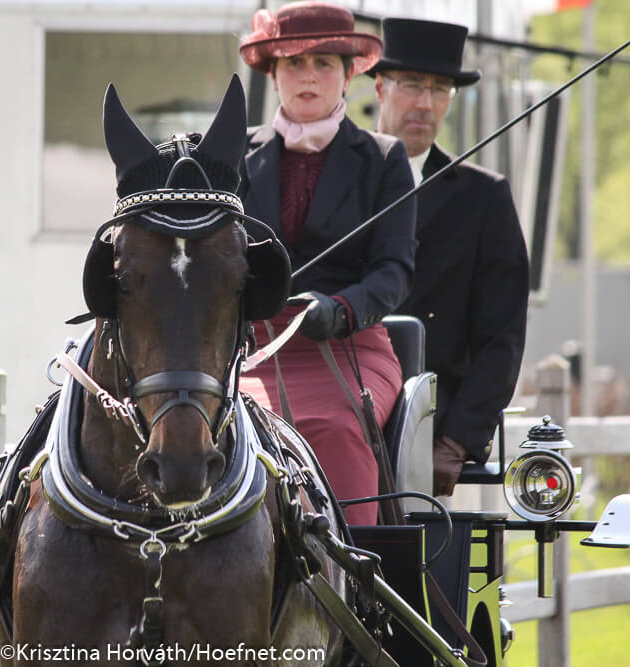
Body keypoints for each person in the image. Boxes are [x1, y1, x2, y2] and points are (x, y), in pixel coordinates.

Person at [237, 1, 417, 525]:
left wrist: (340, 310)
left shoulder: (384, 158)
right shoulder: (234, 157)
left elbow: (394, 271)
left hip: (347, 346)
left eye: (323, 63)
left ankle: (352, 567)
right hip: (253, 348)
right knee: (217, 424)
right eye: (294, 63)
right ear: (274, 74)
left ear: (348, 74)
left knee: (337, 426)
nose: (309, 76)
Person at [370, 18, 529, 496]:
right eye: (411, 84)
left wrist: (457, 441)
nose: (425, 102)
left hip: (433, 441)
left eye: (440, 89)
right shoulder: (338, 180)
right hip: (335, 421)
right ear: (380, 88)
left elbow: (502, 338)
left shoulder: (484, 197)